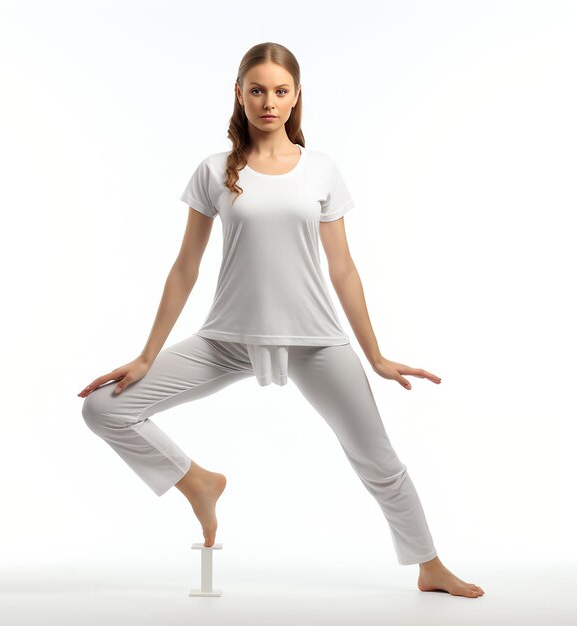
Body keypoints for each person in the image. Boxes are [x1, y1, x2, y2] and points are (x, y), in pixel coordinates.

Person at [78, 42, 484, 599]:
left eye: (280, 91)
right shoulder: (213, 170)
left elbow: (342, 269)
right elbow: (184, 268)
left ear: (296, 97)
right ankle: (198, 482)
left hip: (313, 339)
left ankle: (430, 565)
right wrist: (147, 354)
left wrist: (376, 355)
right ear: (239, 93)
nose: (269, 101)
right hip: (228, 338)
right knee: (105, 409)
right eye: (257, 89)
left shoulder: (321, 170)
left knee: (378, 459)